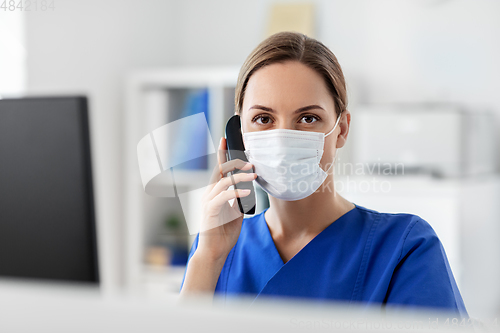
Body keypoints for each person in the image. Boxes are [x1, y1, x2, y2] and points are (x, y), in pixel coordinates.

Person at [179, 31, 468, 318]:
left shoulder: (404, 250)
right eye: (263, 119)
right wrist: (208, 257)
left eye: (308, 118)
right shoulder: (216, 247)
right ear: (239, 135)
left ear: (341, 129)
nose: (282, 137)